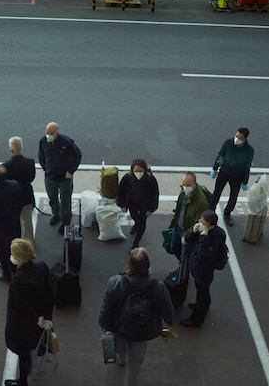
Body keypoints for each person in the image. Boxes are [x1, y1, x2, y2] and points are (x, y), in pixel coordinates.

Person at [99, 247, 174, 386]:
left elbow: (107, 306)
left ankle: (121, 359)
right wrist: (168, 323)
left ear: (129, 264)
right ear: (148, 266)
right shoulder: (158, 287)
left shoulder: (116, 282)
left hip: (119, 326)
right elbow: (167, 309)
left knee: (120, 346)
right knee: (136, 361)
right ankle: (131, 382)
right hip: (143, 331)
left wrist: (103, 323)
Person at [4, 239, 54, 386]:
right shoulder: (41, 267)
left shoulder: (18, 280)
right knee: (33, 347)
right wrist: (46, 317)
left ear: (18, 257)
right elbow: (50, 292)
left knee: (23, 353)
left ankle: (23, 381)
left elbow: (20, 307)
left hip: (22, 327)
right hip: (39, 321)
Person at [180, 210, 227, 328]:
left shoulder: (216, 237)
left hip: (205, 271)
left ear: (211, 226)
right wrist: (194, 231)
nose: (200, 224)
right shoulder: (200, 230)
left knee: (202, 291)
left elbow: (204, 256)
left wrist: (204, 238)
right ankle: (206, 303)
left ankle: (197, 319)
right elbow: (186, 240)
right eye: (200, 221)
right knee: (202, 290)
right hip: (196, 267)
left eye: (203, 223)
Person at [37, 122, 82, 233]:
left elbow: (78, 155)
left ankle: (65, 222)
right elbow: (41, 156)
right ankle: (56, 213)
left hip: (64, 178)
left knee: (65, 200)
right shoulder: (43, 141)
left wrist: (70, 171)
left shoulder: (66, 142)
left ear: (57, 132)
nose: (48, 135)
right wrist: (45, 169)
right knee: (52, 197)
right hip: (50, 177)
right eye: (47, 133)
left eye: (51, 133)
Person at [209, 127, 255, 226]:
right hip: (224, 172)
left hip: (237, 176)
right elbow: (220, 155)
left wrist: (245, 181)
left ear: (245, 139)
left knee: (233, 196)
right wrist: (215, 168)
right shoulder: (228, 143)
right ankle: (211, 211)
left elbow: (247, 166)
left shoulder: (249, 150)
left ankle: (227, 213)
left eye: (239, 137)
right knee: (216, 192)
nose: (236, 139)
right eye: (236, 136)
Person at [116, 159, 160, 249]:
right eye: (136, 171)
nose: (138, 173)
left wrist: (152, 209)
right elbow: (121, 191)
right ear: (132, 170)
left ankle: (136, 241)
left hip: (145, 205)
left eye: (141, 171)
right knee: (134, 216)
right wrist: (122, 204)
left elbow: (155, 194)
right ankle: (136, 225)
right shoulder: (127, 178)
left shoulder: (150, 180)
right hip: (132, 203)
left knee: (142, 222)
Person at [168, 171, 209, 260]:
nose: (185, 187)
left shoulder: (201, 202)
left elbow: (198, 222)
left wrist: (187, 236)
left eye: (188, 185)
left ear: (195, 184)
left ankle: (185, 269)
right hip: (178, 227)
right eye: (184, 184)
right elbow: (180, 206)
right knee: (174, 248)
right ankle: (183, 266)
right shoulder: (183, 193)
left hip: (188, 231)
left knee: (185, 256)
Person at [3, 136, 37, 241]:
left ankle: (15, 242)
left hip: (12, 199)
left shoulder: (6, 166)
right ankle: (29, 242)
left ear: (11, 149)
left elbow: (5, 183)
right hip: (26, 196)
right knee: (28, 221)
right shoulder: (30, 162)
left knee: (13, 222)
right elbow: (31, 178)